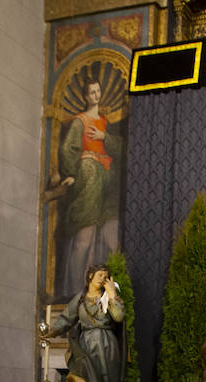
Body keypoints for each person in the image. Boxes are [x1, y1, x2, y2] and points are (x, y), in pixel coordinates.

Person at [56, 78, 123, 298]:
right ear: (86, 96)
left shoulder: (104, 123)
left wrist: (105, 137)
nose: (95, 95)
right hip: (89, 179)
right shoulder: (80, 122)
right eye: (91, 92)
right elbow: (68, 150)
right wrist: (71, 173)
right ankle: (77, 291)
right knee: (84, 236)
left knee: (108, 237)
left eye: (97, 91)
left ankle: (106, 291)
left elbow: (121, 148)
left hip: (108, 182)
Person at [48, 264, 126, 382]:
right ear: (90, 276)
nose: (103, 279)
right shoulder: (80, 299)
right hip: (86, 346)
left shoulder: (109, 297)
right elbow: (65, 319)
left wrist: (112, 294)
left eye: (106, 276)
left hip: (107, 345)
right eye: (99, 275)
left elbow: (118, 317)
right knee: (82, 376)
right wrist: (52, 331)